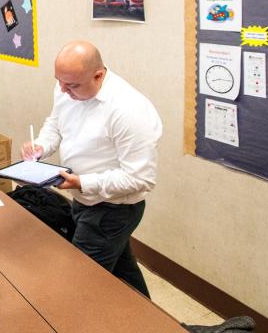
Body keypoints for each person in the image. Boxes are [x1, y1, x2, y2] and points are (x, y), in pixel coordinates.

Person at [20, 40, 162, 297]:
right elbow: (56, 123)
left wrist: (82, 182)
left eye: (71, 85)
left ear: (98, 75)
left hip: (114, 210)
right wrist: (41, 146)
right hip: (84, 200)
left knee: (79, 284)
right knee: (123, 276)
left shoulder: (128, 110)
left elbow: (141, 178)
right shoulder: (67, 85)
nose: (63, 90)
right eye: (59, 81)